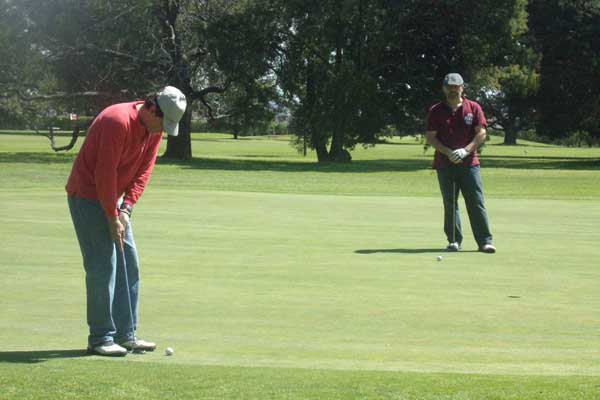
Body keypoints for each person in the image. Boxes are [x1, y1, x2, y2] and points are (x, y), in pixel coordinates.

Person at [66, 86, 187, 356]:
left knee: (128, 263)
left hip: (113, 199)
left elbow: (144, 171)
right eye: (162, 122)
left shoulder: (152, 130)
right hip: (86, 196)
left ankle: (126, 334)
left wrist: (125, 210)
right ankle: (100, 338)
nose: (162, 130)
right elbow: (104, 173)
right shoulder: (117, 121)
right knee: (102, 266)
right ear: (151, 107)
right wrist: (111, 216)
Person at [425, 73, 496, 254]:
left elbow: (481, 133)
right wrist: (449, 152)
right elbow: (431, 137)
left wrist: (466, 150)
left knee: (476, 202)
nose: (452, 90)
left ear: (462, 87)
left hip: (469, 164)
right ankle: (454, 241)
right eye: (449, 87)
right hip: (444, 163)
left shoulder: (473, 107)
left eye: (455, 87)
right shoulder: (436, 110)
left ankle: (484, 242)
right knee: (450, 203)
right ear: (444, 88)